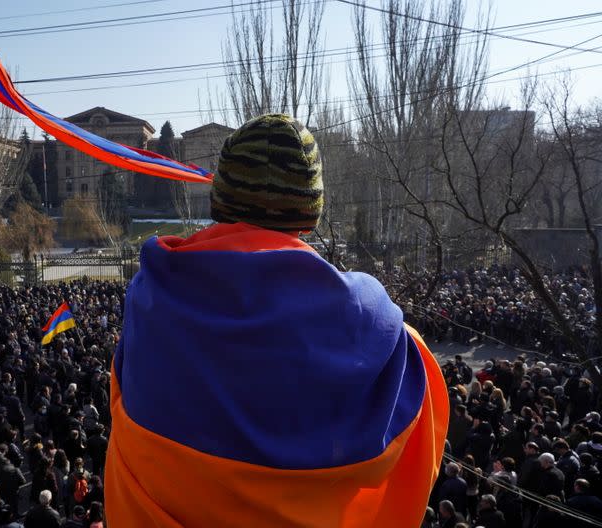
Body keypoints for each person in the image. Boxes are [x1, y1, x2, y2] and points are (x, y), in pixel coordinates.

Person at [105, 113, 448, 528]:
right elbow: (417, 405)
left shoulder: (151, 292)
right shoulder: (368, 318)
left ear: (221, 197)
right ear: (310, 209)